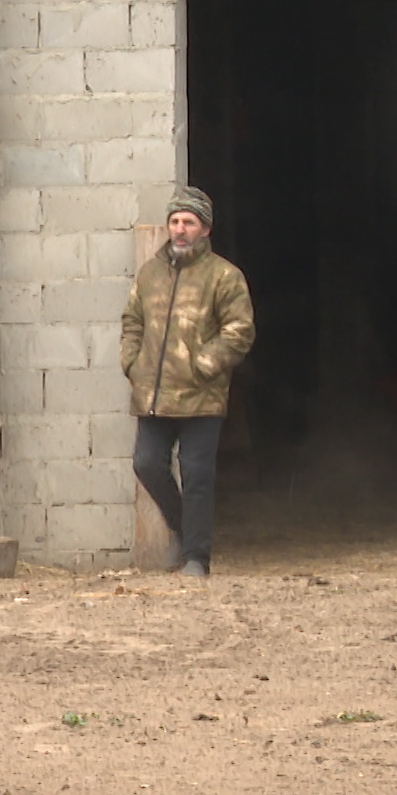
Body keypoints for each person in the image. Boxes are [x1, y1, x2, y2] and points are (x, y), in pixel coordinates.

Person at [119, 187, 255, 576]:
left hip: (201, 395)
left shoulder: (224, 277)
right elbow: (132, 321)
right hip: (154, 395)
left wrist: (204, 364)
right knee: (146, 464)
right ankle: (181, 528)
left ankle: (197, 557)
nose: (180, 229)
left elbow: (239, 330)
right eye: (175, 221)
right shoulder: (151, 274)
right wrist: (132, 362)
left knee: (197, 476)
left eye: (189, 223)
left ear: (205, 230)